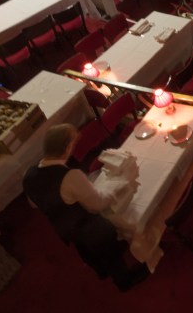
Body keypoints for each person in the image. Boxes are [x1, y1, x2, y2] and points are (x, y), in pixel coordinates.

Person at [22, 125, 148, 291]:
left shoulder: (28, 174)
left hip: (62, 227)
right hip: (87, 226)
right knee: (108, 249)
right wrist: (116, 189)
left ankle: (101, 271)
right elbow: (97, 205)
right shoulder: (71, 176)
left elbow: (34, 204)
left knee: (85, 248)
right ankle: (124, 281)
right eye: (73, 143)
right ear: (67, 147)